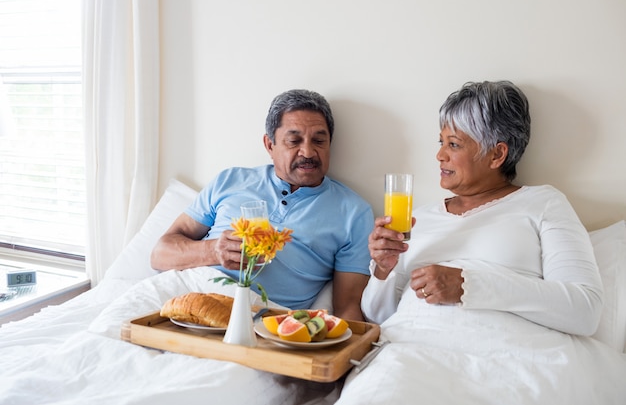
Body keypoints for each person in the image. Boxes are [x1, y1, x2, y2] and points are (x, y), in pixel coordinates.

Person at [363, 80, 603, 335]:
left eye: (453, 144)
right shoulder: (415, 219)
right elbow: (378, 317)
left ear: (497, 155)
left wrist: (469, 285)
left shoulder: (543, 203)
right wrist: (383, 269)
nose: (440, 155)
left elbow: (585, 311)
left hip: (507, 356)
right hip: (411, 351)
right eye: (441, 142)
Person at [151, 89, 374, 321]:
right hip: (183, 295)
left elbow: (348, 308)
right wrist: (213, 250)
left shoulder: (354, 213)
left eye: (319, 141)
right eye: (293, 141)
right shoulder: (230, 181)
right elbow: (159, 255)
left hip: (263, 320)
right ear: (270, 145)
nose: (308, 152)